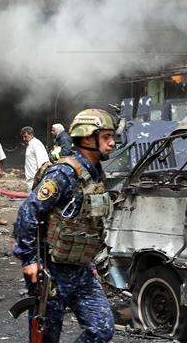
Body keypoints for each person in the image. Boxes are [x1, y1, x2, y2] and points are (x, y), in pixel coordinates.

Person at [14, 109, 117, 343]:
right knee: (45, 338)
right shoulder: (64, 173)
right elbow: (28, 210)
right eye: (106, 136)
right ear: (88, 138)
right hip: (52, 273)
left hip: (81, 272)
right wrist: (29, 260)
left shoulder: (96, 175)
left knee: (102, 329)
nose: (112, 143)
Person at [21, 126, 50, 193]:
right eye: (23, 137)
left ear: (31, 134)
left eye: (25, 136)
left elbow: (43, 163)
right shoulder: (30, 144)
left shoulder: (36, 144)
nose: (24, 139)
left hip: (35, 181)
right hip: (31, 180)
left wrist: (38, 180)